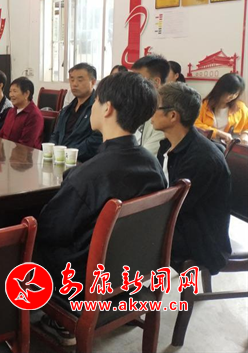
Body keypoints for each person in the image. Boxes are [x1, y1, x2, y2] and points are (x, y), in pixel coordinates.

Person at [36, 72, 167, 346]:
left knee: (23, 241)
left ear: (107, 109)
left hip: (83, 281)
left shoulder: (89, 175)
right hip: (131, 273)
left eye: (96, 101)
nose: (93, 106)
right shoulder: (152, 164)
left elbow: (49, 230)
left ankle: (55, 322)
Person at [152, 82, 232, 275]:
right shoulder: (169, 145)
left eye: (155, 107)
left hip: (201, 239)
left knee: (128, 235)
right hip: (183, 222)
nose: (151, 113)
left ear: (173, 116)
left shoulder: (200, 159)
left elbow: (174, 208)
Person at [50, 63, 103, 162]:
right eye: (72, 79)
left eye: (80, 80)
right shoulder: (66, 110)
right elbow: (55, 135)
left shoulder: (99, 108)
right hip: (60, 160)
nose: (74, 84)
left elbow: (95, 141)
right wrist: (54, 151)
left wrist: (69, 153)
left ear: (93, 82)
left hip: (82, 163)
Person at [131, 54, 170, 155]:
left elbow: (143, 157)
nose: (132, 84)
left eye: (138, 79)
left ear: (156, 82)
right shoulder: (138, 106)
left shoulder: (166, 116)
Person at [194, 73, 248, 144]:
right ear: (220, 90)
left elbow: (246, 126)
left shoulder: (240, 108)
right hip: (205, 143)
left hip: (228, 146)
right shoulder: (204, 105)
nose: (232, 97)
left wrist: (245, 135)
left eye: (236, 94)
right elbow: (195, 125)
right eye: (230, 93)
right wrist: (218, 133)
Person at [0, 77, 43, 149]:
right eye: (10, 91)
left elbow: (25, 145)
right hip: (6, 152)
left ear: (26, 94)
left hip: (25, 154)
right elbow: (1, 135)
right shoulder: (11, 111)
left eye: (14, 91)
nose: (11, 95)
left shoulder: (34, 116)